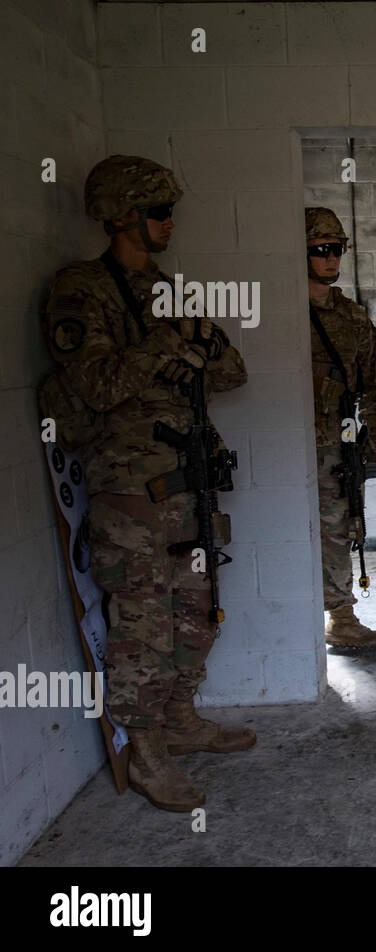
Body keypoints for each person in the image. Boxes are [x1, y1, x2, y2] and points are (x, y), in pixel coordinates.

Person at [41, 155, 251, 811]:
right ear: (123, 215)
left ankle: (181, 721)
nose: (169, 224)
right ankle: (147, 751)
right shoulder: (79, 292)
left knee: (195, 617)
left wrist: (197, 342)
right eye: (159, 212)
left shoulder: (165, 289)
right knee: (142, 629)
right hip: (132, 496)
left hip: (189, 486)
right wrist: (168, 345)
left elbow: (230, 372)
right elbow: (98, 386)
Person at [304, 207, 376, 649]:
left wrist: (368, 434)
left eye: (337, 250)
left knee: (342, 525)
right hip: (293, 443)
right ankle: (299, 615)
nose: (332, 259)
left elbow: (375, 383)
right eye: (321, 251)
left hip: (339, 443)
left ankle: (341, 616)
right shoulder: (283, 312)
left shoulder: (352, 317)